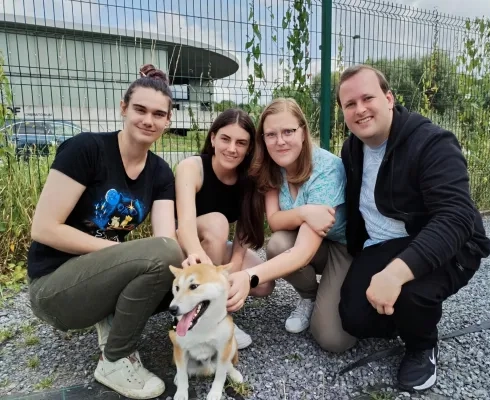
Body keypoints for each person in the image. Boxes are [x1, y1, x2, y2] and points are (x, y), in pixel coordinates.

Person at [26, 64, 183, 400]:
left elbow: (167, 239)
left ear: (168, 121)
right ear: (123, 108)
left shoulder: (159, 172)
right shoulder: (86, 150)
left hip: (99, 276)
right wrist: (120, 255)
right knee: (164, 255)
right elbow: (43, 227)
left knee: (176, 269)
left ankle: (117, 325)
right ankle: (114, 360)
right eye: (140, 109)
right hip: (55, 287)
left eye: (158, 114)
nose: (148, 120)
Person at [335, 64, 490, 392]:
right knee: (353, 318)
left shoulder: (432, 143)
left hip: (445, 242)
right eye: (350, 104)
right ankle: (404, 311)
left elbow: (456, 217)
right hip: (384, 244)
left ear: (389, 98)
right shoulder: (352, 148)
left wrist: (395, 276)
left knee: (410, 293)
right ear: (343, 112)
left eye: (368, 98)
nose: (360, 109)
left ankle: (422, 344)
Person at [219, 97, 357, 354]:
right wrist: (305, 211)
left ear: (303, 131)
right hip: (314, 245)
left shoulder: (326, 169)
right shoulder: (273, 168)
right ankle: (311, 296)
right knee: (279, 243)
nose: (280, 141)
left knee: (332, 339)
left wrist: (248, 276)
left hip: (344, 248)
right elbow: (274, 220)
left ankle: (347, 293)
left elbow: (303, 251)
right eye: (271, 134)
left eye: (288, 132)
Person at [174, 108, 274, 349]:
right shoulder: (192, 167)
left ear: (250, 148)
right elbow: (184, 227)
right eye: (225, 139)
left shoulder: (249, 178)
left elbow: (243, 232)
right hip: (185, 248)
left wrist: (235, 273)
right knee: (218, 222)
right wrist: (211, 273)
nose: (232, 149)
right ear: (213, 138)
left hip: (214, 247)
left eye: (241, 143)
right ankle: (213, 318)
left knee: (263, 284)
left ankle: (211, 304)